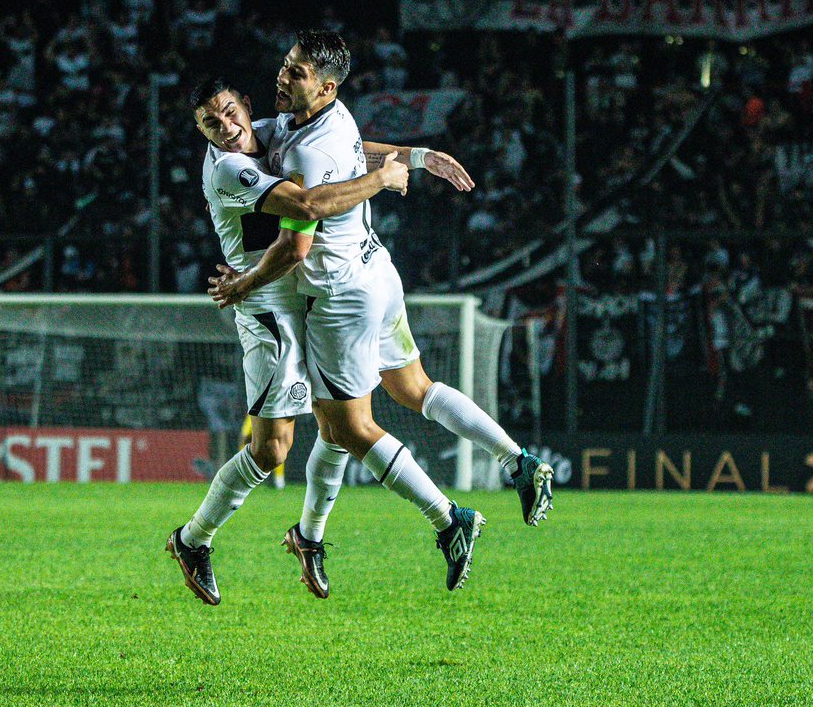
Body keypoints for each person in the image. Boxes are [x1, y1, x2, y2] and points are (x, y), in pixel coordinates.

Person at [210, 30, 554, 592]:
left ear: (324, 87)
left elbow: (303, 227)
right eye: (285, 65)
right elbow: (354, 156)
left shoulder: (301, 151)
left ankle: (450, 520)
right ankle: (517, 460)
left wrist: (245, 283)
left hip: (340, 297)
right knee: (414, 388)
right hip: (378, 272)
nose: (282, 75)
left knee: (347, 426)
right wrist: (414, 158)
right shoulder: (331, 117)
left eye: (295, 72)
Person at [167, 78, 410, 606]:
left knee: (338, 418)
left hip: (299, 298)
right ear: (202, 133)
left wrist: (415, 155)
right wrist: (384, 178)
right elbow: (303, 202)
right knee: (272, 447)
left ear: (245, 106)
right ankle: (193, 540)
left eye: (229, 113)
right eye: (211, 124)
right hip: (264, 309)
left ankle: (311, 537)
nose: (226, 128)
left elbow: (343, 148)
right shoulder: (228, 167)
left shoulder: (265, 131)